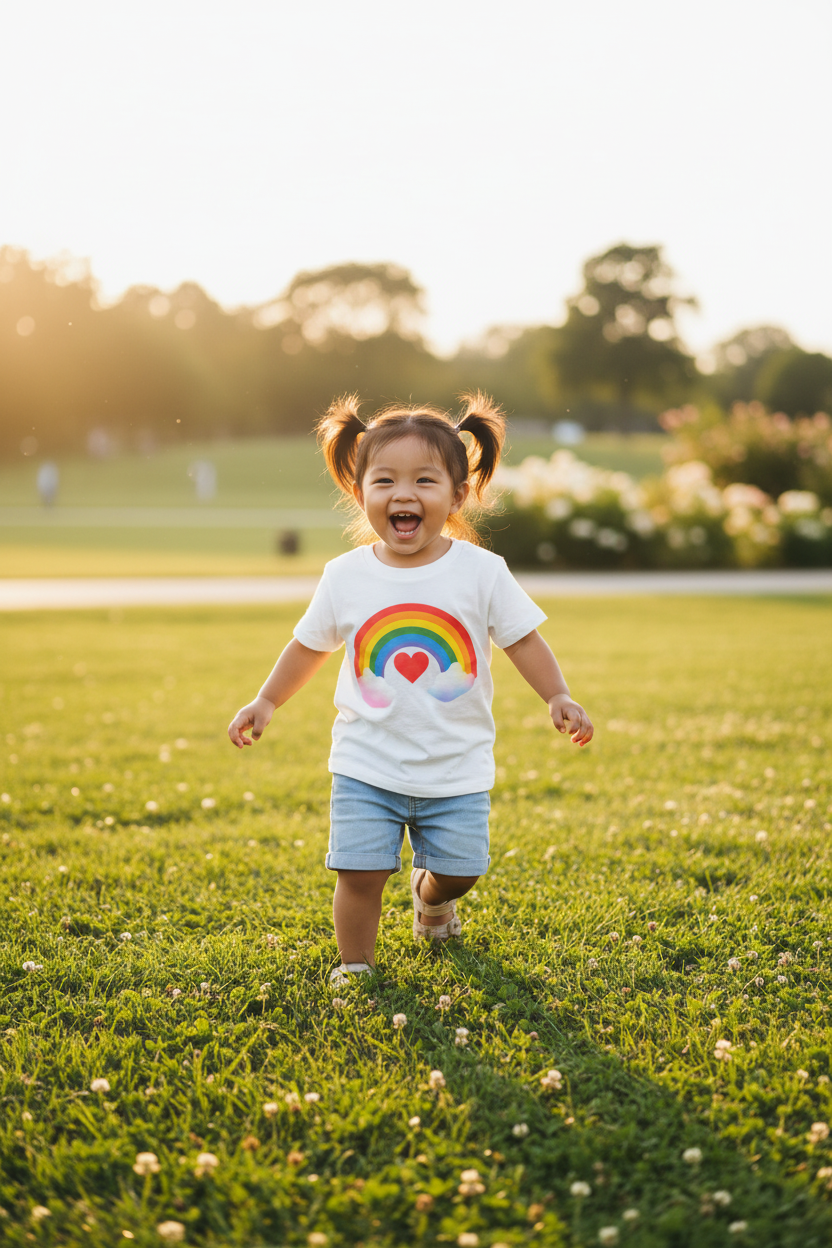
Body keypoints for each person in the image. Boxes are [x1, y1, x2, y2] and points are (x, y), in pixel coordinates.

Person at [228, 393, 593, 978]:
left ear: (457, 493)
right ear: (359, 491)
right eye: (385, 480)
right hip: (366, 761)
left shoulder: (481, 572)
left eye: (425, 480)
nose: (404, 494)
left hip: (455, 764)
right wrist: (267, 699)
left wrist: (558, 694)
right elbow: (310, 644)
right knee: (360, 873)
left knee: (463, 868)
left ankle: (432, 895)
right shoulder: (345, 576)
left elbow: (522, 639)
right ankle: (356, 966)